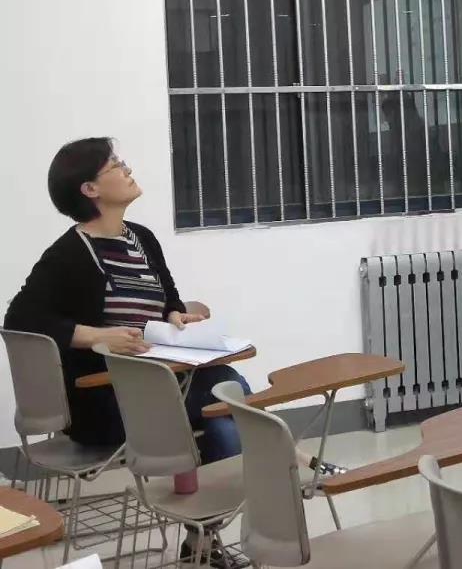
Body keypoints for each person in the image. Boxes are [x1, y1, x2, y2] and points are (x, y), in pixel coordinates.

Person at [5, 139, 342, 560]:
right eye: (115, 165)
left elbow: (169, 300)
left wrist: (177, 316)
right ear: (90, 189)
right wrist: (96, 336)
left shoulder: (142, 239)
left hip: (168, 386)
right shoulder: (70, 254)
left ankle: (202, 540)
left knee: (223, 416)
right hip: (107, 400)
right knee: (227, 388)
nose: (127, 169)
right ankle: (291, 461)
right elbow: (20, 318)